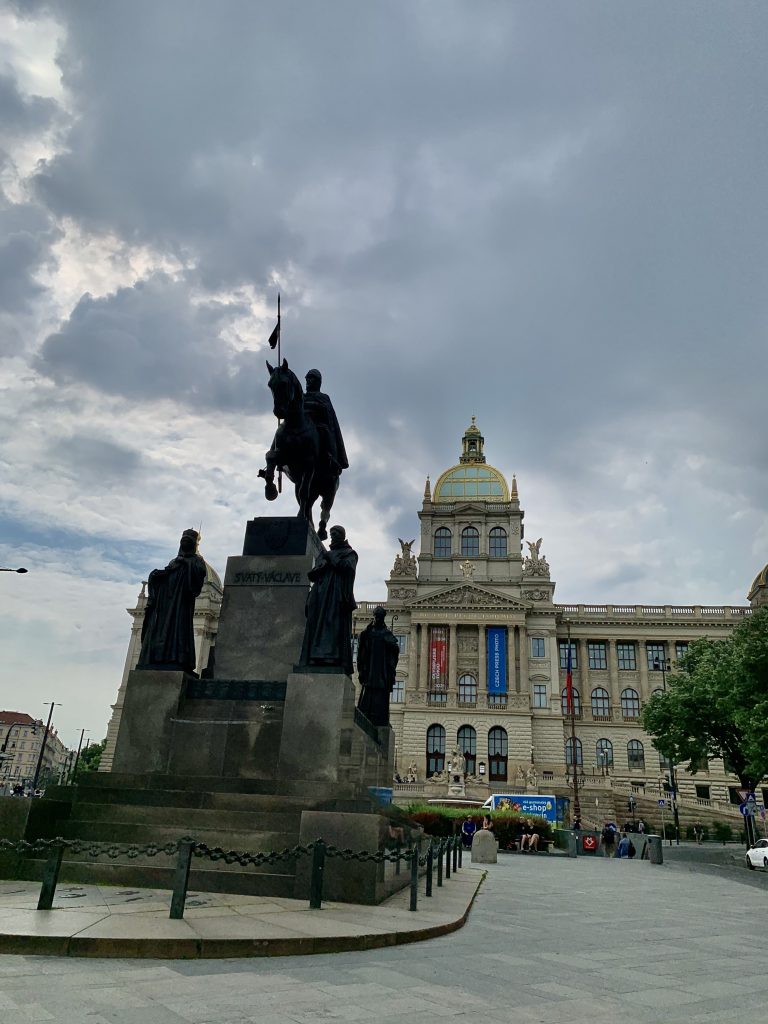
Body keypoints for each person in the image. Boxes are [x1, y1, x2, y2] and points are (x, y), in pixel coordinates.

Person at [137, 529, 207, 674]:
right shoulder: (174, 561)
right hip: (167, 604)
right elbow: (166, 576)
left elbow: (196, 581)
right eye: (183, 540)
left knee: (179, 632)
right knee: (163, 631)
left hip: (182, 604)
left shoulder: (197, 561)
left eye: (189, 540)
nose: (185, 542)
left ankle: (178, 658)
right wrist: (157, 576)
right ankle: (160, 657)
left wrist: (186, 563)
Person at [299, 525, 358, 675]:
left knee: (332, 625)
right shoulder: (325, 554)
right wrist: (321, 567)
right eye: (331, 534)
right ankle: (313, 657)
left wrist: (332, 559)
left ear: (342, 535)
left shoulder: (349, 553)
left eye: (335, 533)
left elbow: (348, 569)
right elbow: (312, 574)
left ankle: (331, 657)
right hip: (320, 594)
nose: (332, 536)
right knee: (316, 625)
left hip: (335, 595)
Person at [356, 606, 399, 727]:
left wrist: (390, 646)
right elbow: (361, 651)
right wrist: (361, 669)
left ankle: (380, 717)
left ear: (383, 618)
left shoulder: (386, 633)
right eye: (376, 617)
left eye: (380, 617)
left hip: (381, 669)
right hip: (370, 668)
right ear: (374, 617)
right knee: (368, 691)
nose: (378, 619)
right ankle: (365, 713)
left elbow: (395, 649)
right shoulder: (367, 633)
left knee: (380, 692)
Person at [303, 369, 349, 475]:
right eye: (307, 378)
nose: (308, 381)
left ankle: (330, 457)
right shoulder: (301, 397)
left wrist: (313, 407)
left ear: (318, 381)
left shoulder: (323, 397)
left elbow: (327, 414)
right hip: (303, 425)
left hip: (318, 426)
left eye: (311, 378)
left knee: (324, 432)